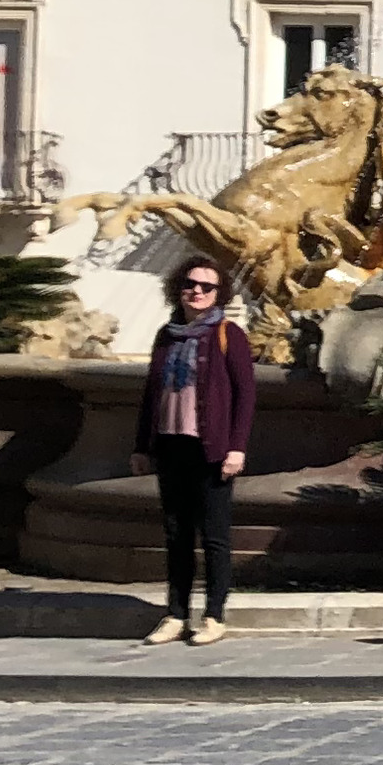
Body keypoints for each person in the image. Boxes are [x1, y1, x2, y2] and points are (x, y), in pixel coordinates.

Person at [138, 258, 257, 646]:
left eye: (208, 287)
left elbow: (246, 396)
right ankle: (175, 613)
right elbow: (150, 395)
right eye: (191, 284)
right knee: (176, 534)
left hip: (211, 449)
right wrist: (142, 445)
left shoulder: (228, 334)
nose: (198, 292)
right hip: (171, 444)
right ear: (179, 287)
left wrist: (237, 447)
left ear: (220, 293)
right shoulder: (166, 336)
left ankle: (214, 615)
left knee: (215, 537)